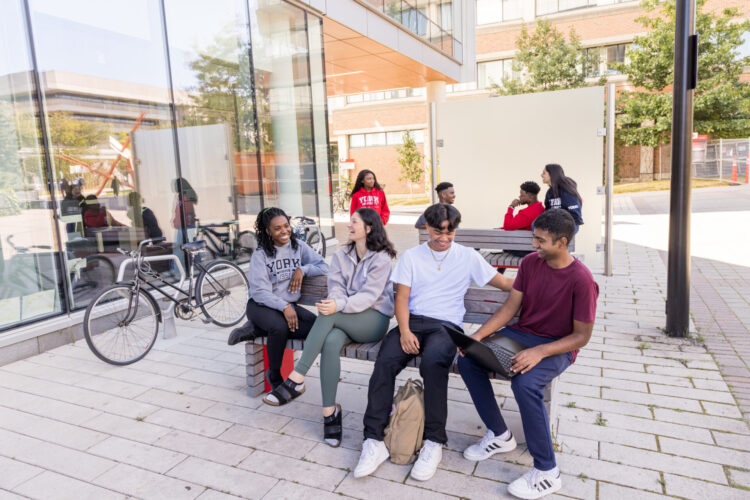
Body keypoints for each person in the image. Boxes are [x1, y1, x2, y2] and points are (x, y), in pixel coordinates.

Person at [354, 203, 513, 482]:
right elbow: (401, 298)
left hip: (446, 327)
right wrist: (404, 331)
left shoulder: (467, 257)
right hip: (413, 322)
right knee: (385, 362)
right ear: (426, 226)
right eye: (438, 232)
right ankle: (373, 441)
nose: (444, 238)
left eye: (450, 233)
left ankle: (434, 441)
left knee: (433, 363)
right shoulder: (412, 257)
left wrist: (542, 284)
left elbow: (503, 283)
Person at [458, 209, 598, 499]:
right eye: (534, 238)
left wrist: (539, 352)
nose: (534, 245)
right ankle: (499, 435)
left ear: (561, 242)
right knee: (468, 358)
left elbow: (581, 337)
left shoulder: (582, 279)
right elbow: (510, 308)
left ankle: (547, 471)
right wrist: (477, 336)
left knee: (525, 383)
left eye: (540, 240)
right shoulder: (531, 264)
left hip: (558, 346)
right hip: (522, 333)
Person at [264, 208, 396, 447]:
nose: (349, 225)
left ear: (368, 228)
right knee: (332, 340)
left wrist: (338, 304)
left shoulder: (382, 258)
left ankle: (297, 378)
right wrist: (336, 301)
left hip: (373, 320)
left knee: (327, 315)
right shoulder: (342, 254)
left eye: (354, 222)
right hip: (345, 316)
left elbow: (369, 296)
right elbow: (335, 286)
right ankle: (329, 412)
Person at [247, 207, 328, 392]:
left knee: (317, 326)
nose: (284, 231)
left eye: (286, 226)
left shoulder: (298, 247)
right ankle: (275, 376)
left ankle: (256, 329)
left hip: (286, 306)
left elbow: (323, 266)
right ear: (267, 231)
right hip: (260, 306)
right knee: (279, 327)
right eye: (277, 228)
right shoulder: (260, 255)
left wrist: (303, 270)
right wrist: (284, 306)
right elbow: (259, 292)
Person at [541, 164, 583, 229]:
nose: (541, 175)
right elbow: (547, 211)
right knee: (535, 224)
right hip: (554, 223)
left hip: (569, 224)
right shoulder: (550, 192)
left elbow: (574, 214)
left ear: (552, 174)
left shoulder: (566, 190)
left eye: (544, 173)